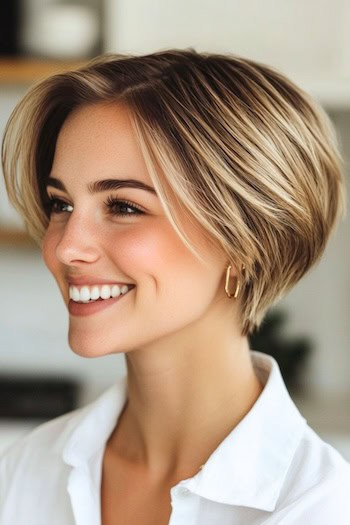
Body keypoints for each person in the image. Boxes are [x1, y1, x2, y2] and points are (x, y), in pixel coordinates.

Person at [0, 49, 349, 525]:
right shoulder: (23, 472)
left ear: (246, 243)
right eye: (61, 204)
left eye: (123, 207)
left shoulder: (318, 509)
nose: (65, 248)